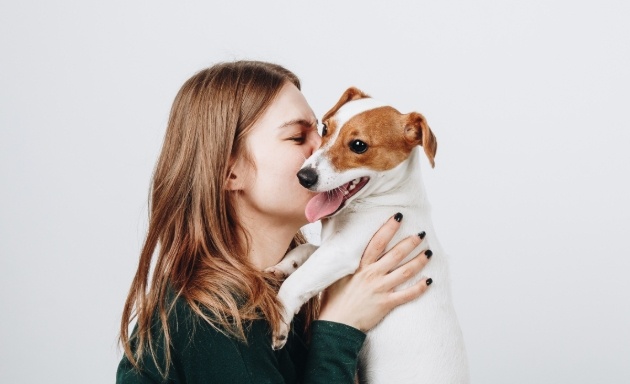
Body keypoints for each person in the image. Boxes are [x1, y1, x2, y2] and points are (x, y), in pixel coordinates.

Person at [116, 60, 433, 383]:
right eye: (298, 137)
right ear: (231, 172)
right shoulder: (211, 317)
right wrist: (340, 329)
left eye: (320, 130)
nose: (321, 150)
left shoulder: (279, 296)